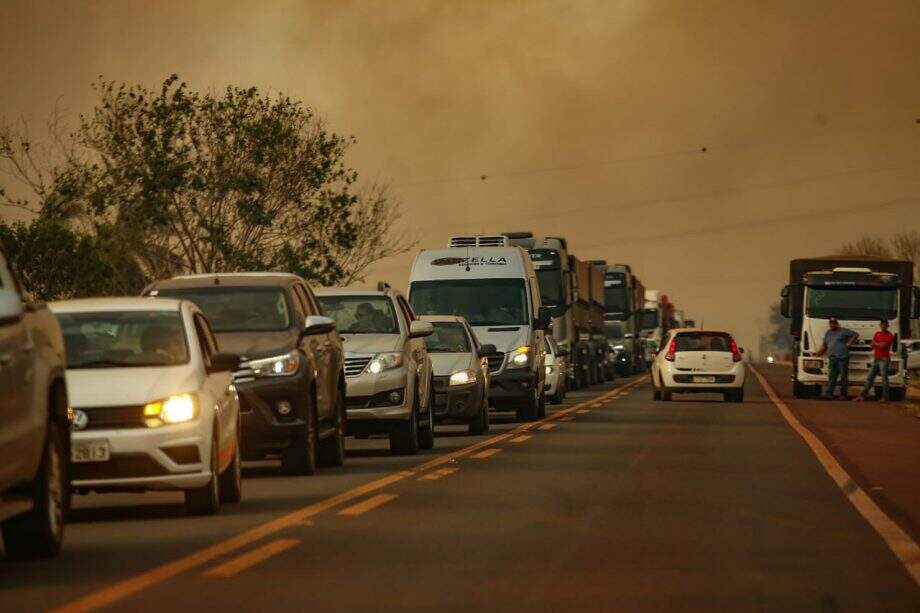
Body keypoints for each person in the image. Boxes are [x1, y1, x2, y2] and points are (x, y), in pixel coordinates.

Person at [814, 317, 859, 399]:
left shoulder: (843, 331)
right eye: (831, 323)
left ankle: (843, 395)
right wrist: (817, 354)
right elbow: (824, 345)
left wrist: (849, 343)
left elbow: (855, 334)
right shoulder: (828, 333)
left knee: (843, 377)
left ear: (837, 324)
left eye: (834, 323)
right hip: (832, 358)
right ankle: (829, 393)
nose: (832, 325)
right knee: (832, 377)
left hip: (842, 357)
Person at [855, 319, 894, 402]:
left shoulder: (889, 335)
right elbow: (871, 345)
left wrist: (876, 343)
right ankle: (862, 396)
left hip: (884, 359)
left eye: (885, 324)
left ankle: (885, 397)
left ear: (887, 326)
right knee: (870, 378)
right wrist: (877, 344)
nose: (883, 326)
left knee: (884, 379)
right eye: (882, 324)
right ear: (880, 325)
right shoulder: (877, 333)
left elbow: (883, 346)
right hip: (876, 358)